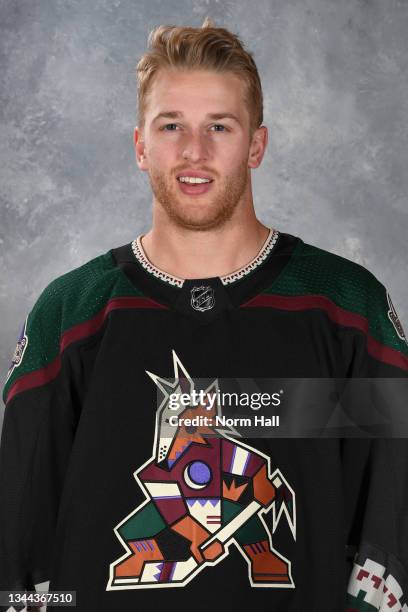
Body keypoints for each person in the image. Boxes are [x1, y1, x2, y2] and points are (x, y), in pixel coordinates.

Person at [1, 16, 407, 612]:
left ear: (256, 145)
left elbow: (389, 535)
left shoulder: (346, 308)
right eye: (172, 126)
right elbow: (22, 554)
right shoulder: (71, 314)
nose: (194, 151)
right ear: (140, 145)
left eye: (220, 126)